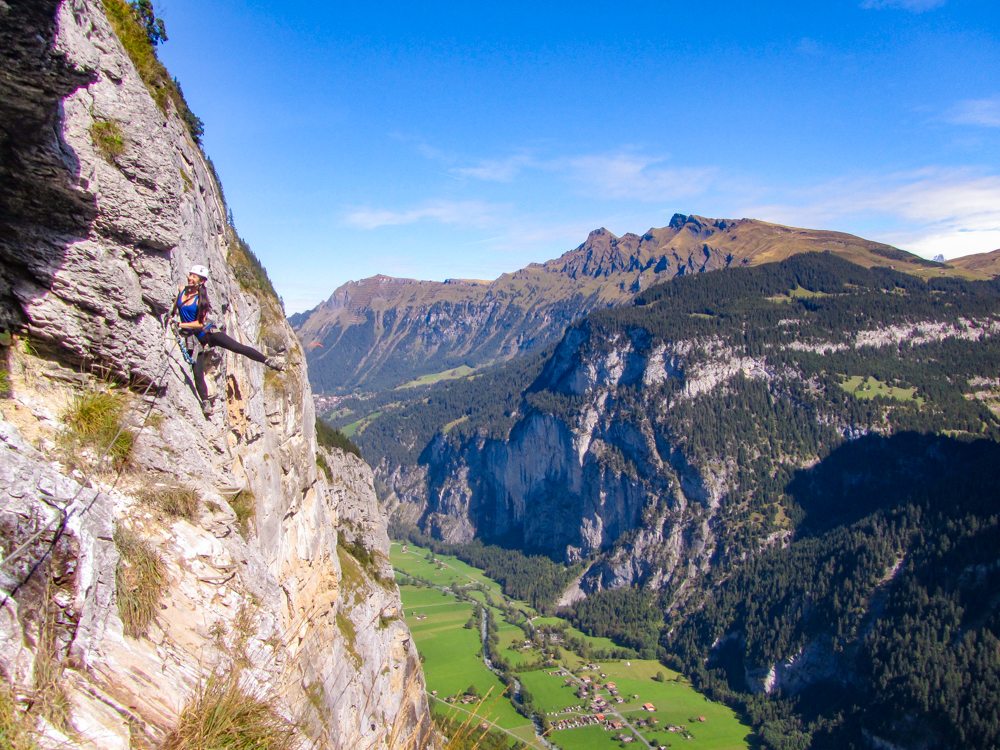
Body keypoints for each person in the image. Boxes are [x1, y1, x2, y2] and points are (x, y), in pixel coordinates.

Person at [170, 264, 284, 415]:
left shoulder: (201, 299)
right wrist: (171, 317)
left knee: (237, 347)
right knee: (197, 372)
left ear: (201, 281)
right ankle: (205, 403)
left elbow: (199, 323)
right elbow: (174, 307)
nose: (190, 278)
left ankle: (267, 361)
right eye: (190, 275)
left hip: (207, 333)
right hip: (193, 338)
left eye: (194, 276)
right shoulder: (181, 290)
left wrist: (179, 324)